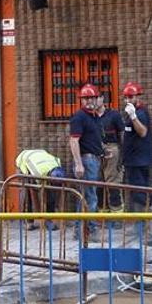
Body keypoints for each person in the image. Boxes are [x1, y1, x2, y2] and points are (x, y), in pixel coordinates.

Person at [69, 83, 103, 238]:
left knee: (87, 196)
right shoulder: (79, 117)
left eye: (92, 97)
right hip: (86, 161)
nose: (89, 100)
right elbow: (74, 140)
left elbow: (91, 139)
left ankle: (81, 230)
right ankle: (88, 231)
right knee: (90, 197)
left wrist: (103, 151)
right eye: (86, 98)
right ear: (81, 100)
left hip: (93, 160)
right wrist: (78, 164)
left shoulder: (93, 117)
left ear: (97, 99)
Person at [121, 81, 152, 212]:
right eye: (126, 97)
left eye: (131, 97)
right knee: (136, 191)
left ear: (138, 97)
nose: (128, 100)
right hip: (133, 160)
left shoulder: (140, 113)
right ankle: (140, 223)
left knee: (140, 192)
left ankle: (141, 224)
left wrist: (133, 117)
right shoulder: (130, 113)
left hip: (139, 161)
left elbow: (143, 132)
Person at [15, 149, 66, 230]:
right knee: (26, 191)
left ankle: (49, 219)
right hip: (24, 161)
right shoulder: (37, 173)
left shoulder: (57, 163)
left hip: (40, 157)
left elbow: (58, 192)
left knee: (50, 193)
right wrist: (41, 218)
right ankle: (28, 221)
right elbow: (35, 195)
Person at [95, 93, 125, 214]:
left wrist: (122, 155)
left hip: (112, 149)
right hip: (96, 151)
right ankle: (102, 212)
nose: (94, 101)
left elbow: (122, 135)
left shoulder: (114, 115)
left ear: (102, 98)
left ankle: (117, 213)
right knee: (97, 182)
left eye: (97, 97)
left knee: (113, 182)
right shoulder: (90, 117)